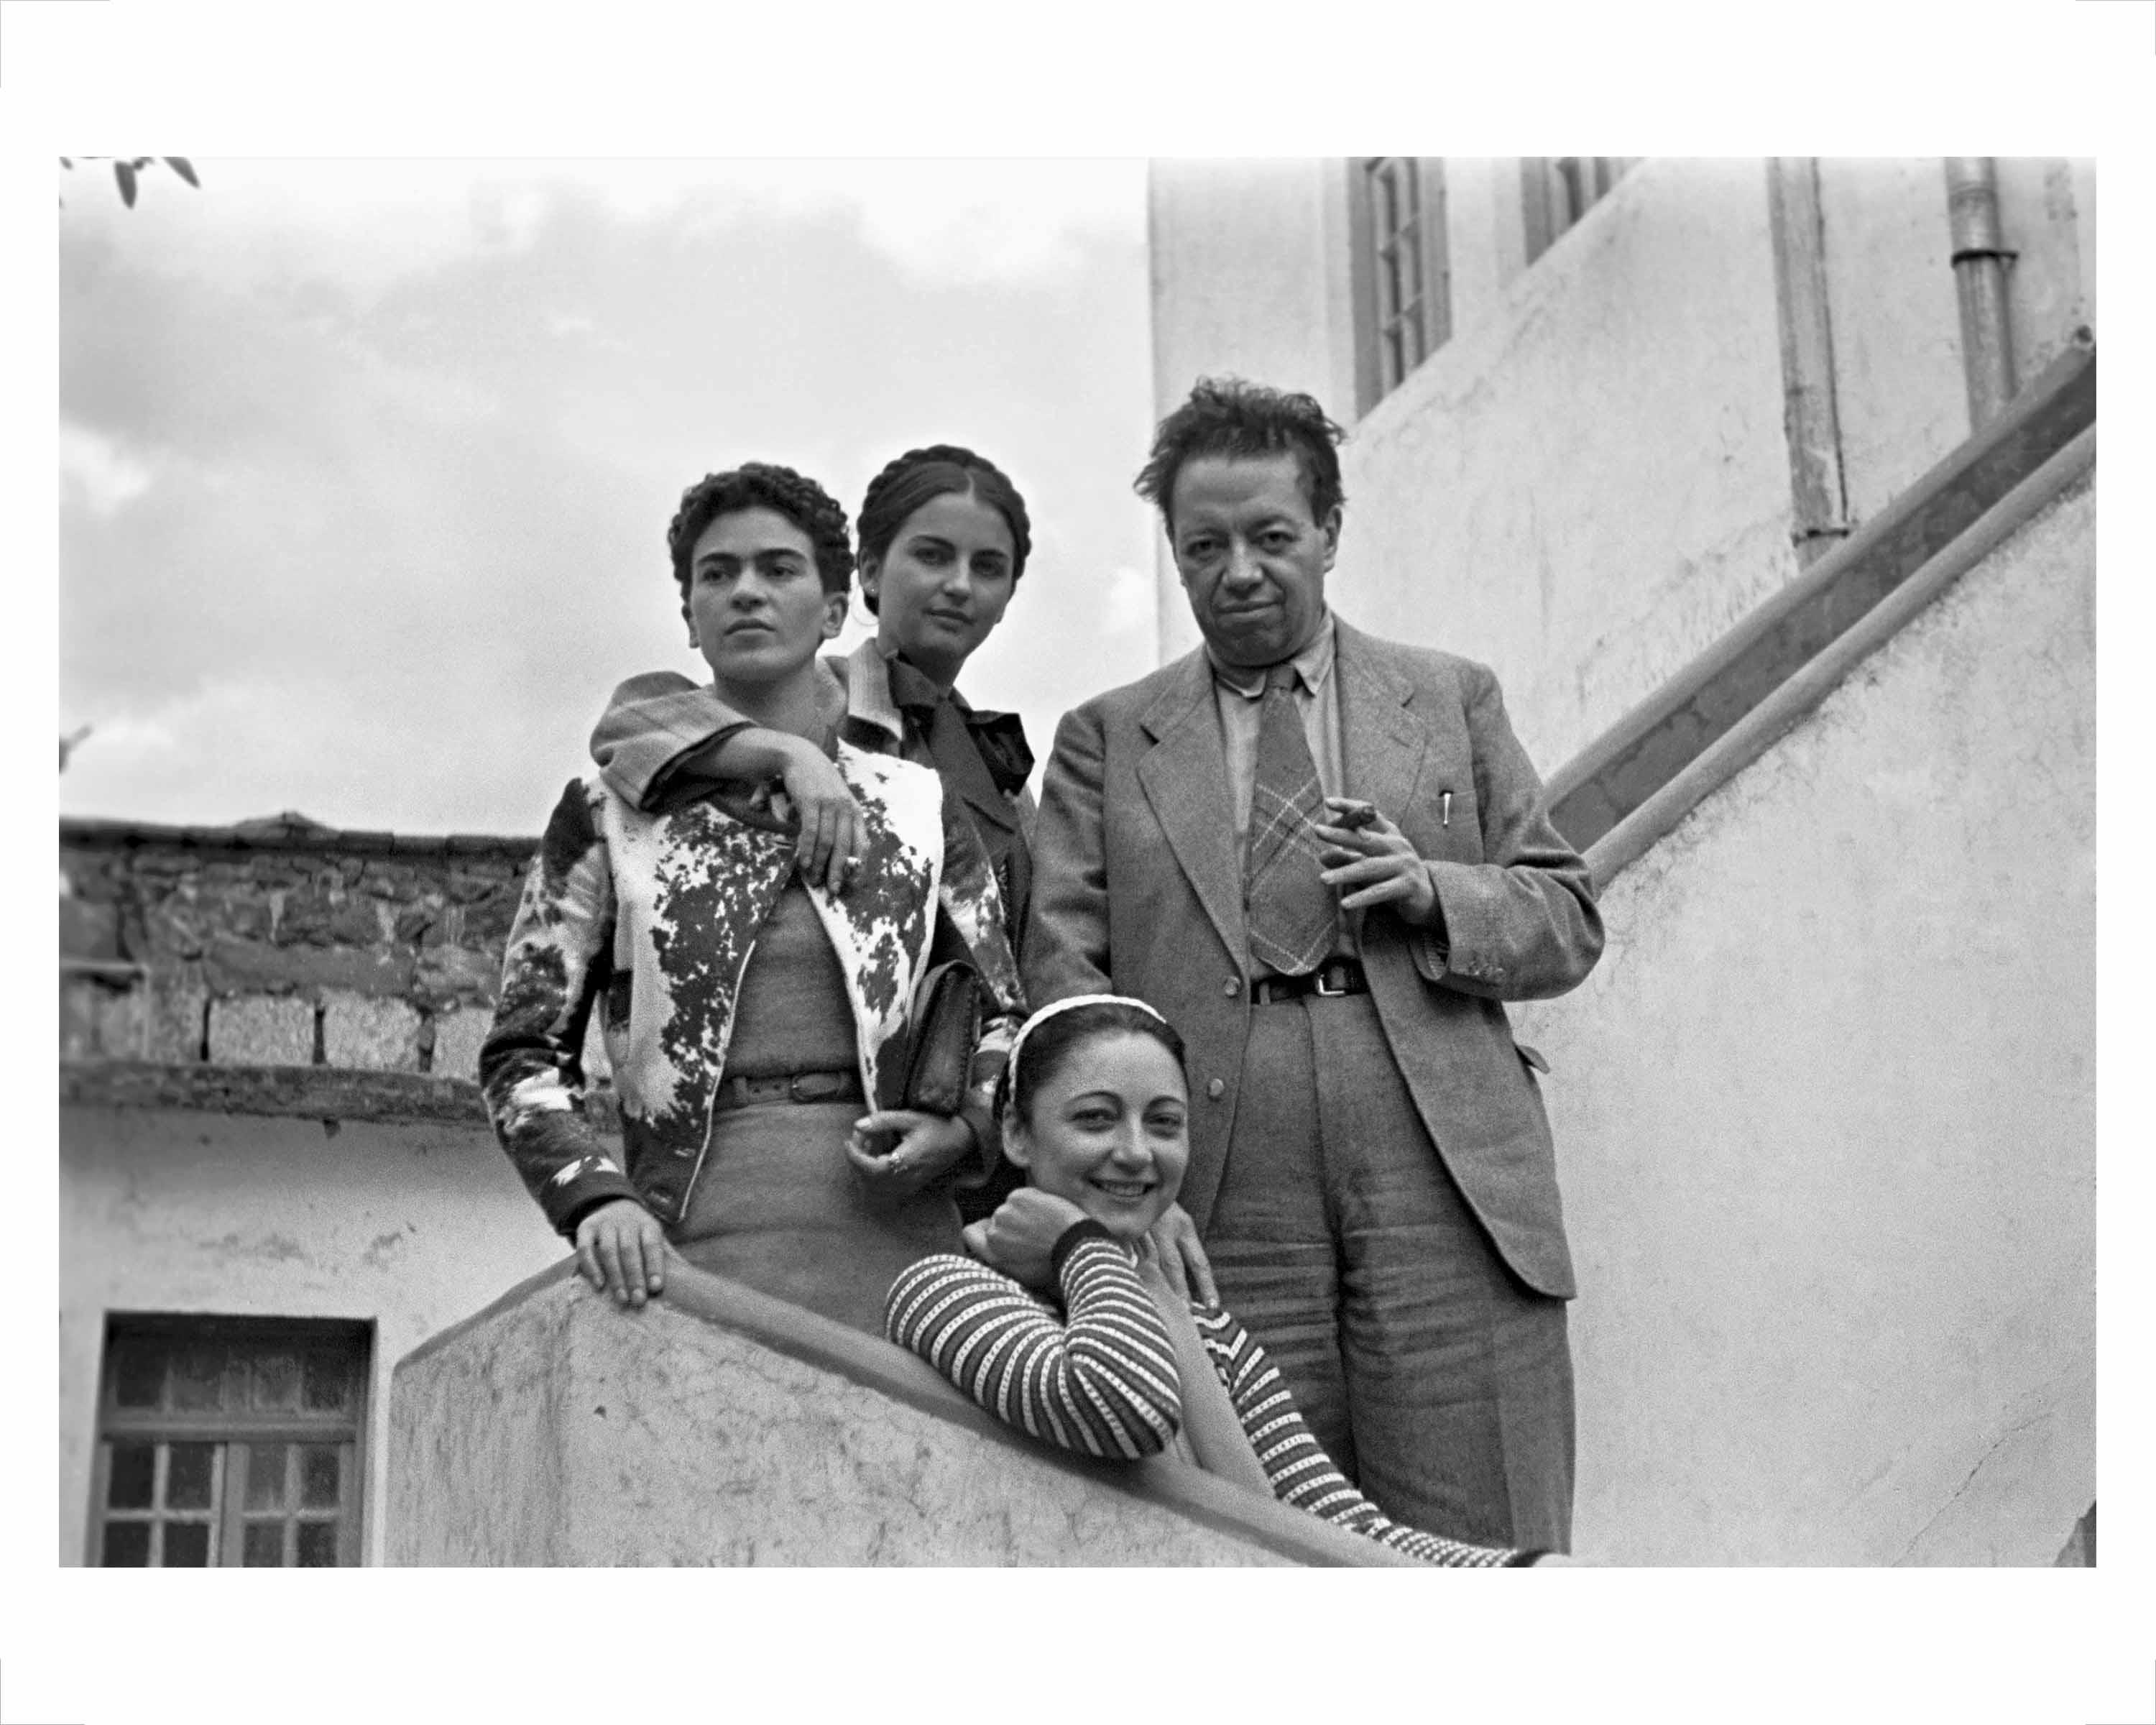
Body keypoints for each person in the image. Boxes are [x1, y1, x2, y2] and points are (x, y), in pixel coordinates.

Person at [1023, 379, 1603, 1552]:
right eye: (1205, 547)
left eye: (1272, 537)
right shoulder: (1106, 737)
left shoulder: (1449, 699)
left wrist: (1434, 891)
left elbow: (1567, 916)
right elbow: (1067, 969)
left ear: (1329, 532)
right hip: (1218, 1178)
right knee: (1258, 1535)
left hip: (1441, 1157)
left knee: (1481, 1524)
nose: (1238, 571)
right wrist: (1120, 1179)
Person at [582, 443, 1213, 1285]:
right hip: (811, 1163)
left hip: (973, 1144)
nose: (959, 586)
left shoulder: (988, 768)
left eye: (987, 567)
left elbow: (1023, 965)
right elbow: (633, 724)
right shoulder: (813, 695)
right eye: (932, 556)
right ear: (868, 578)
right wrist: (785, 755)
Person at [480, 461, 1024, 1339]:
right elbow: (521, 1053)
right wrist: (594, 1197)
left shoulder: (917, 804)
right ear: (689, 617)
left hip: (907, 1249)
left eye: (778, 569)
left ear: (835, 610)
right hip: (690, 1245)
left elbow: (1004, 1015)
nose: (746, 592)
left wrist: (965, 1133)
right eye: (718, 574)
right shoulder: (607, 813)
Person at [885, 995, 1562, 1566]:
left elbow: (1338, 1529)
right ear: (1016, 1133)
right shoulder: (944, 1291)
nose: (1136, 1152)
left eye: (1164, 1124)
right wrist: (1077, 1244)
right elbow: (1123, 1405)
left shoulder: (1208, 1332)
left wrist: (1526, 1572)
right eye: (1095, 1118)